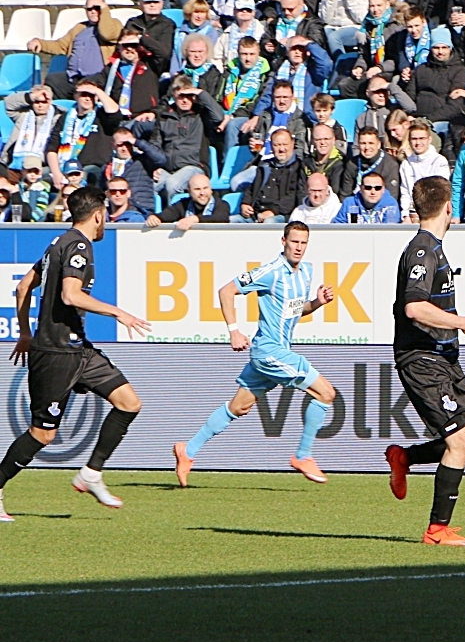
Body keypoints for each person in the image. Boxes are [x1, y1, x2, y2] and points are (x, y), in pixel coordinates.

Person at [0, 188, 151, 520]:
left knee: (129, 402)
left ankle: (91, 473)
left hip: (78, 349)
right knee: (43, 433)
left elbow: (23, 287)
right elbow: (70, 295)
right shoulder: (79, 246)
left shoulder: (57, 243)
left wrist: (25, 332)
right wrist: (118, 312)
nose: (106, 222)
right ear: (97, 215)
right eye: (106, 215)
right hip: (55, 354)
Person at [172, 222, 338, 487]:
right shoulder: (270, 272)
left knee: (238, 407)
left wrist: (317, 303)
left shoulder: (305, 271)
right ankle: (303, 455)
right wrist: (234, 331)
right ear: (283, 241)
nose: (299, 247)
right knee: (326, 393)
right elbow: (226, 291)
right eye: (294, 242)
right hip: (269, 352)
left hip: (277, 352)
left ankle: (188, 451)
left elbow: (294, 310)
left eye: (303, 243)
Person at [383, 177, 465, 546]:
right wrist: (461, 322)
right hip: (421, 359)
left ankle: (404, 458)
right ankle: (436, 530)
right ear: (447, 208)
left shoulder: (436, 248)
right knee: (458, 443)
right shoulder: (423, 251)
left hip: (446, 358)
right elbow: (414, 307)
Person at [146, 172, 232, 228]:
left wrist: (195, 219)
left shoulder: (222, 204)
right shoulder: (183, 204)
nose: (202, 193)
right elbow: (167, 215)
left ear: (211, 189)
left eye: (205, 188)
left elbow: (221, 218)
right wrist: (155, 217)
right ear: (189, 191)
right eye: (197, 189)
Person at [333, 167, 403, 222]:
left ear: (383, 189)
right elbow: (338, 227)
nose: (373, 192)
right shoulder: (349, 203)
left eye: (378, 188)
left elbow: (391, 230)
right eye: (368, 187)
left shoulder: (390, 204)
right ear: (361, 188)